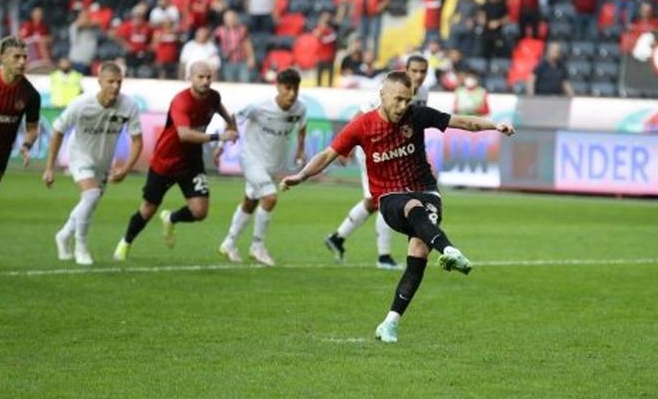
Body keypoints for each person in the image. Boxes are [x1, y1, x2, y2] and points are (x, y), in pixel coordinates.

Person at [281, 71, 515, 343]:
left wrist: (495, 125)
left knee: (418, 253)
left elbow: (462, 123)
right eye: (398, 100)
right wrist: (300, 176)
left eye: (408, 100)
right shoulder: (362, 126)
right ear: (382, 95)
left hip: (427, 191)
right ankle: (450, 249)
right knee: (412, 206)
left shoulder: (417, 115)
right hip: (390, 198)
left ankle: (390, 322)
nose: (403, 106)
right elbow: (327, 155)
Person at [113, 61, 238, 260]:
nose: (206, 81)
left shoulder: (213, 97)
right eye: (201, 77)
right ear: (190, 78)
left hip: (191, 162)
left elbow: (220, 108)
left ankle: (170, 217)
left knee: (200, 211)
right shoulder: (181, 101)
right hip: (166, 161)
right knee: (147, 209)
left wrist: (231, 124)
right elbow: (184, 135)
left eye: (208, 77)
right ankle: (125, 242)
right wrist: (219, 137)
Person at [325, 55, 430, 270]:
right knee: (389, 197)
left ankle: (338, 238)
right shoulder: (390, 90)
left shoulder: (423, 92)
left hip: (394, 150)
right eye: (415, 71)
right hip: (373, 148)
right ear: (406, 70)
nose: (419, 76)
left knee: (374, 200)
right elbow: (359, 117)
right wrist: (345, 148)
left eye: (423, 71)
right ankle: (383, 256)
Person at [43, 62, 143, 265]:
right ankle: (81, 247)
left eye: (119, 82)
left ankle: (63, 235)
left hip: (104, 160)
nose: (115, 86)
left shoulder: (128, 106)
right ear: (99, 82)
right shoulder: (81, 104)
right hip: (79, 155)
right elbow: (58, 131)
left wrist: (125, 169)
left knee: (89, 204)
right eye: (110, 81)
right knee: (91, 195)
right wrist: (49, 167)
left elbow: (137, 141)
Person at [217, 69, 306, 265]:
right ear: (278, 87)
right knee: (270, 197)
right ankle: (257, 246)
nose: (292, 93)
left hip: (270, 164)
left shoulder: (300, 109)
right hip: (250, 159)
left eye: (295, 89)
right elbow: (232, 119)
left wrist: (300, 149)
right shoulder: (259, 107)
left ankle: (229, 242)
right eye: (288, 88)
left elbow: (302, 127)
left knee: (250, 201)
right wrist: (220, 147)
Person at [0, 36, 41, 215]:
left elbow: (32, 127)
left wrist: (27, 145)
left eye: (24, 57)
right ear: (2, 57)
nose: (22, 62)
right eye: (16, 57)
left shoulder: (30, 94)